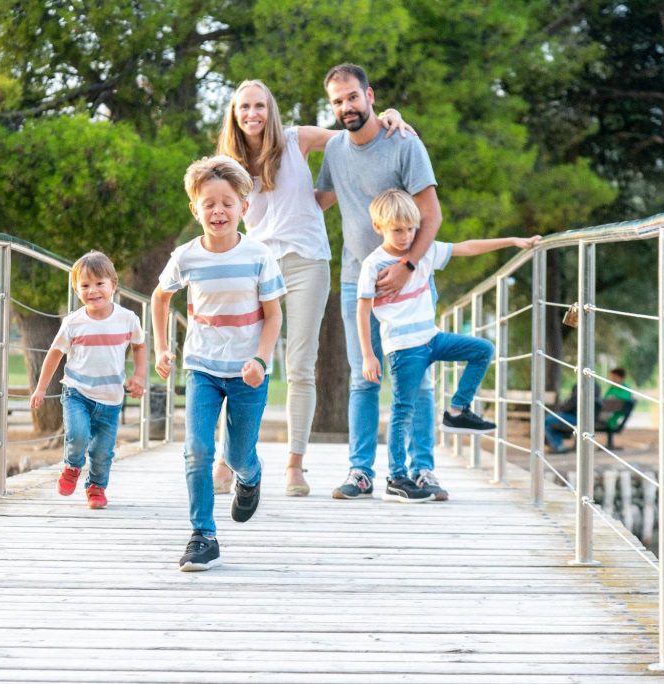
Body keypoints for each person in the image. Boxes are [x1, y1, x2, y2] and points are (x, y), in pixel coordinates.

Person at [213, 80, 414, 497]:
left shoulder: (296, 139)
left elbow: (356, 138)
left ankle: (294, 465)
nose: (253, 114)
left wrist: (388, 114)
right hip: (256, 265)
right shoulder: (227, 162)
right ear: (234, 114)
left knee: (301, 363)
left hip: (307, 261)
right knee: (239, 363)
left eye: (260, 106)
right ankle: (225, 460)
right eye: (244, 107)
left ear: (271, 110)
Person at [314, 63, 444, 500]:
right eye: (337, 101)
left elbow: (432, 216)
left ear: (370, 96)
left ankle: (423, 470)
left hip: (409, 282)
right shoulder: (334, 149)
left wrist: (406, 267)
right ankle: (361, 471)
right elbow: (320, 201)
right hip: (358, 282)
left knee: (418, 382)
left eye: (352, 96)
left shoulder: (404, 142)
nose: (346, 106)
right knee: (363, 377)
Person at [358, 189, 540, 501]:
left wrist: (512, 241)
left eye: (411, 229)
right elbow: (362, 310)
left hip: (432, 337)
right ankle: (397, 476)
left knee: (482, 349)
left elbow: (466, 248)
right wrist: (368, 355)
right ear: (380, 228)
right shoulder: (374, 264)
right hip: (403, 348)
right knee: (404, 409)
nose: (405, 237)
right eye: (397, 230)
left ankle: (457, 410)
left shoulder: (423, 252)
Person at [152, 155, 285, 571]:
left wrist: (260, 360)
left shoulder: (259, 255)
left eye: (227, 202)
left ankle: (250, 477)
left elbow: (274, 314)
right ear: (195, 210)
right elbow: (160, 297)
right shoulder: (186, 257)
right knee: (197, 450)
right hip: (202, 368)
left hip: (249, 370)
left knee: (238, 455)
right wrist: (161, 347)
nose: (218, 211)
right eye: (208, 203)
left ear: (244, 208)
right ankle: (203, 535)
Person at [31, 251, 147, 510]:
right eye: (84, 285)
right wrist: (40, 388)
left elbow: (139, 347)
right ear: (76, 289)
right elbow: (54, 354)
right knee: (78, 436)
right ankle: (72, 466)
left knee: (103, 452)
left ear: (113, 286)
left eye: (99, 284)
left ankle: (96, 487)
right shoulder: (73, 322)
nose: (92, 291)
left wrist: (139, 375)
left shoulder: (128, 319)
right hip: (77, 393)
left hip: (111, 397)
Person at [544, 382, 602, 454]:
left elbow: (567, 406)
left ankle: (556, 446)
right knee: (550, 423)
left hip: (576, 419)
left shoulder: (581, 386)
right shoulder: (596, 388)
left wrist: (562, 407)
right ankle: (556, 445)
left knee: (547, 420)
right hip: (589, 420)